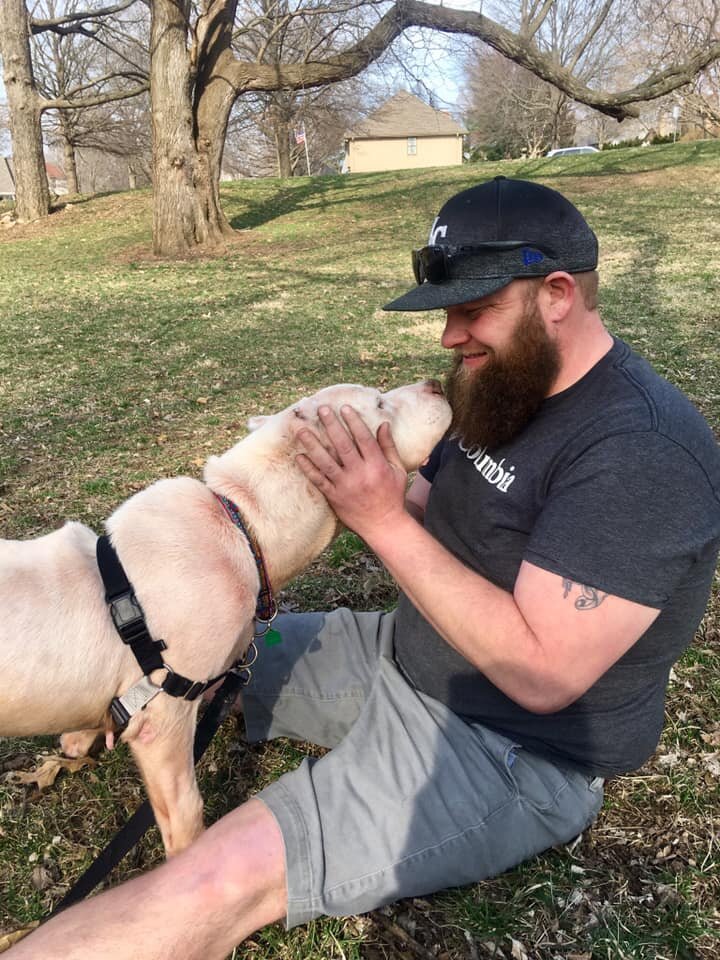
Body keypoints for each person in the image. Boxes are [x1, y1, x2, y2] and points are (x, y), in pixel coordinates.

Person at [10, 176, 720, 959]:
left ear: (557, 294)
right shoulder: (506, 384)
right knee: (204, 658)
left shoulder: (640, 454)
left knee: (214, 877)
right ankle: (84, 708)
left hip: (510, 748)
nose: (452, 336)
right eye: (448, 311)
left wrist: (378, 516)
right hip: (401, 652)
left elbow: (543, 672)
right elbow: (419, 501)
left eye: (474, 309)